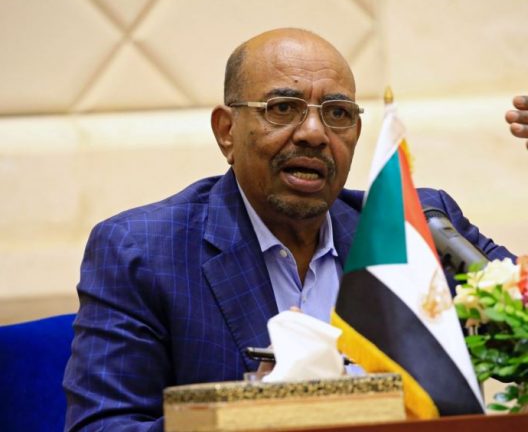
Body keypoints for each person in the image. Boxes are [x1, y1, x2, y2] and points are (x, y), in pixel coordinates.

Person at [63, 28, 520, 431]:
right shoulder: (144, 251)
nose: (314, 133)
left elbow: (523, 341)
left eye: (338, 113)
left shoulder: (417, 229)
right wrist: (252, 414)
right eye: (283, 108)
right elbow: (103, 426)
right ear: (226, 131)